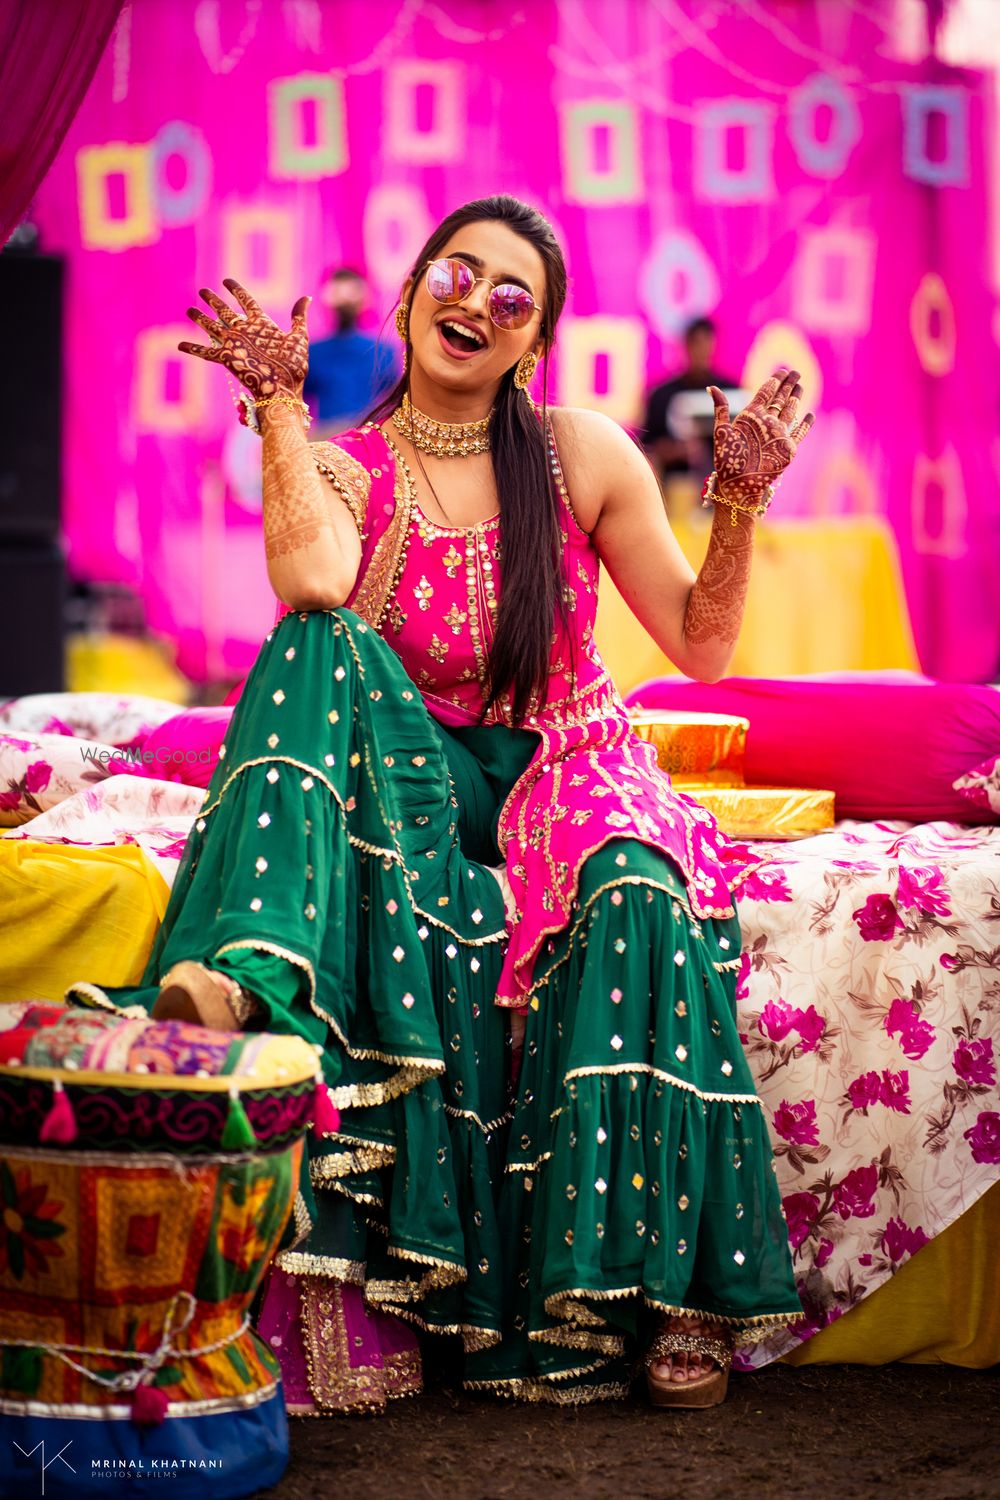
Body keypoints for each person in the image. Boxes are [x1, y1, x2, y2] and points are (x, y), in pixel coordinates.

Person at [69, 195, 814, 1412]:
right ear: (416, 289)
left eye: (510, 297)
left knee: (633, 885)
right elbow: (311, 581)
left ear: (536, 341)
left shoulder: (579, 456)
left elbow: (704, 644)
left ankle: (667, 1293)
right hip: (415, 778)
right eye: (457, 274)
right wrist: (275, 410)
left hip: (563, 753)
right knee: (315, 644)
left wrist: (734, 504)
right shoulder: (347, 464)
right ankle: (241, 972)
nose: (475, 302)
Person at [642, 316, 739, 485]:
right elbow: (647, 447)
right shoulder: (662, 395)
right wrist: (675, 451)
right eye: (696, 342)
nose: (701, 349)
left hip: (722, 487)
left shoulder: (731, 393)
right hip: (677, 487)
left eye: (706, 342)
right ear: (686, 345)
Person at [302, 265, 398, 433]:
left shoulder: (384, 352)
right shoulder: (313, 353)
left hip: (367, 437)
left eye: (350, 292)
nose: (345, 301)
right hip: (330, 439)